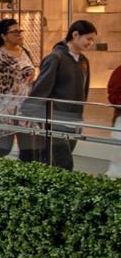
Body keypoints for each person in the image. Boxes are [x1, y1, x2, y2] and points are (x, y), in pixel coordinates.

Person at [20, 19, 96, 169]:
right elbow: (41, 87)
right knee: (63, 163)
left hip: (73, 119)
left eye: (92, 40)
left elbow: (84, 91)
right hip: (55, 119)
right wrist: (28, 110)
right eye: (88, 39)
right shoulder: (56, 58)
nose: (90, 43)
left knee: (56, 163)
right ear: (75, 35)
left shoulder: (83, 61)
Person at [0, 18, 35, 157]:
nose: (19, 34)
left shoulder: (25, 52)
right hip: (2, 109)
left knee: (28, 150)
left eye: (20, 31)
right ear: (3, 36)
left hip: (24, 109)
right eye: (14, 32)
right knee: (4, 148)